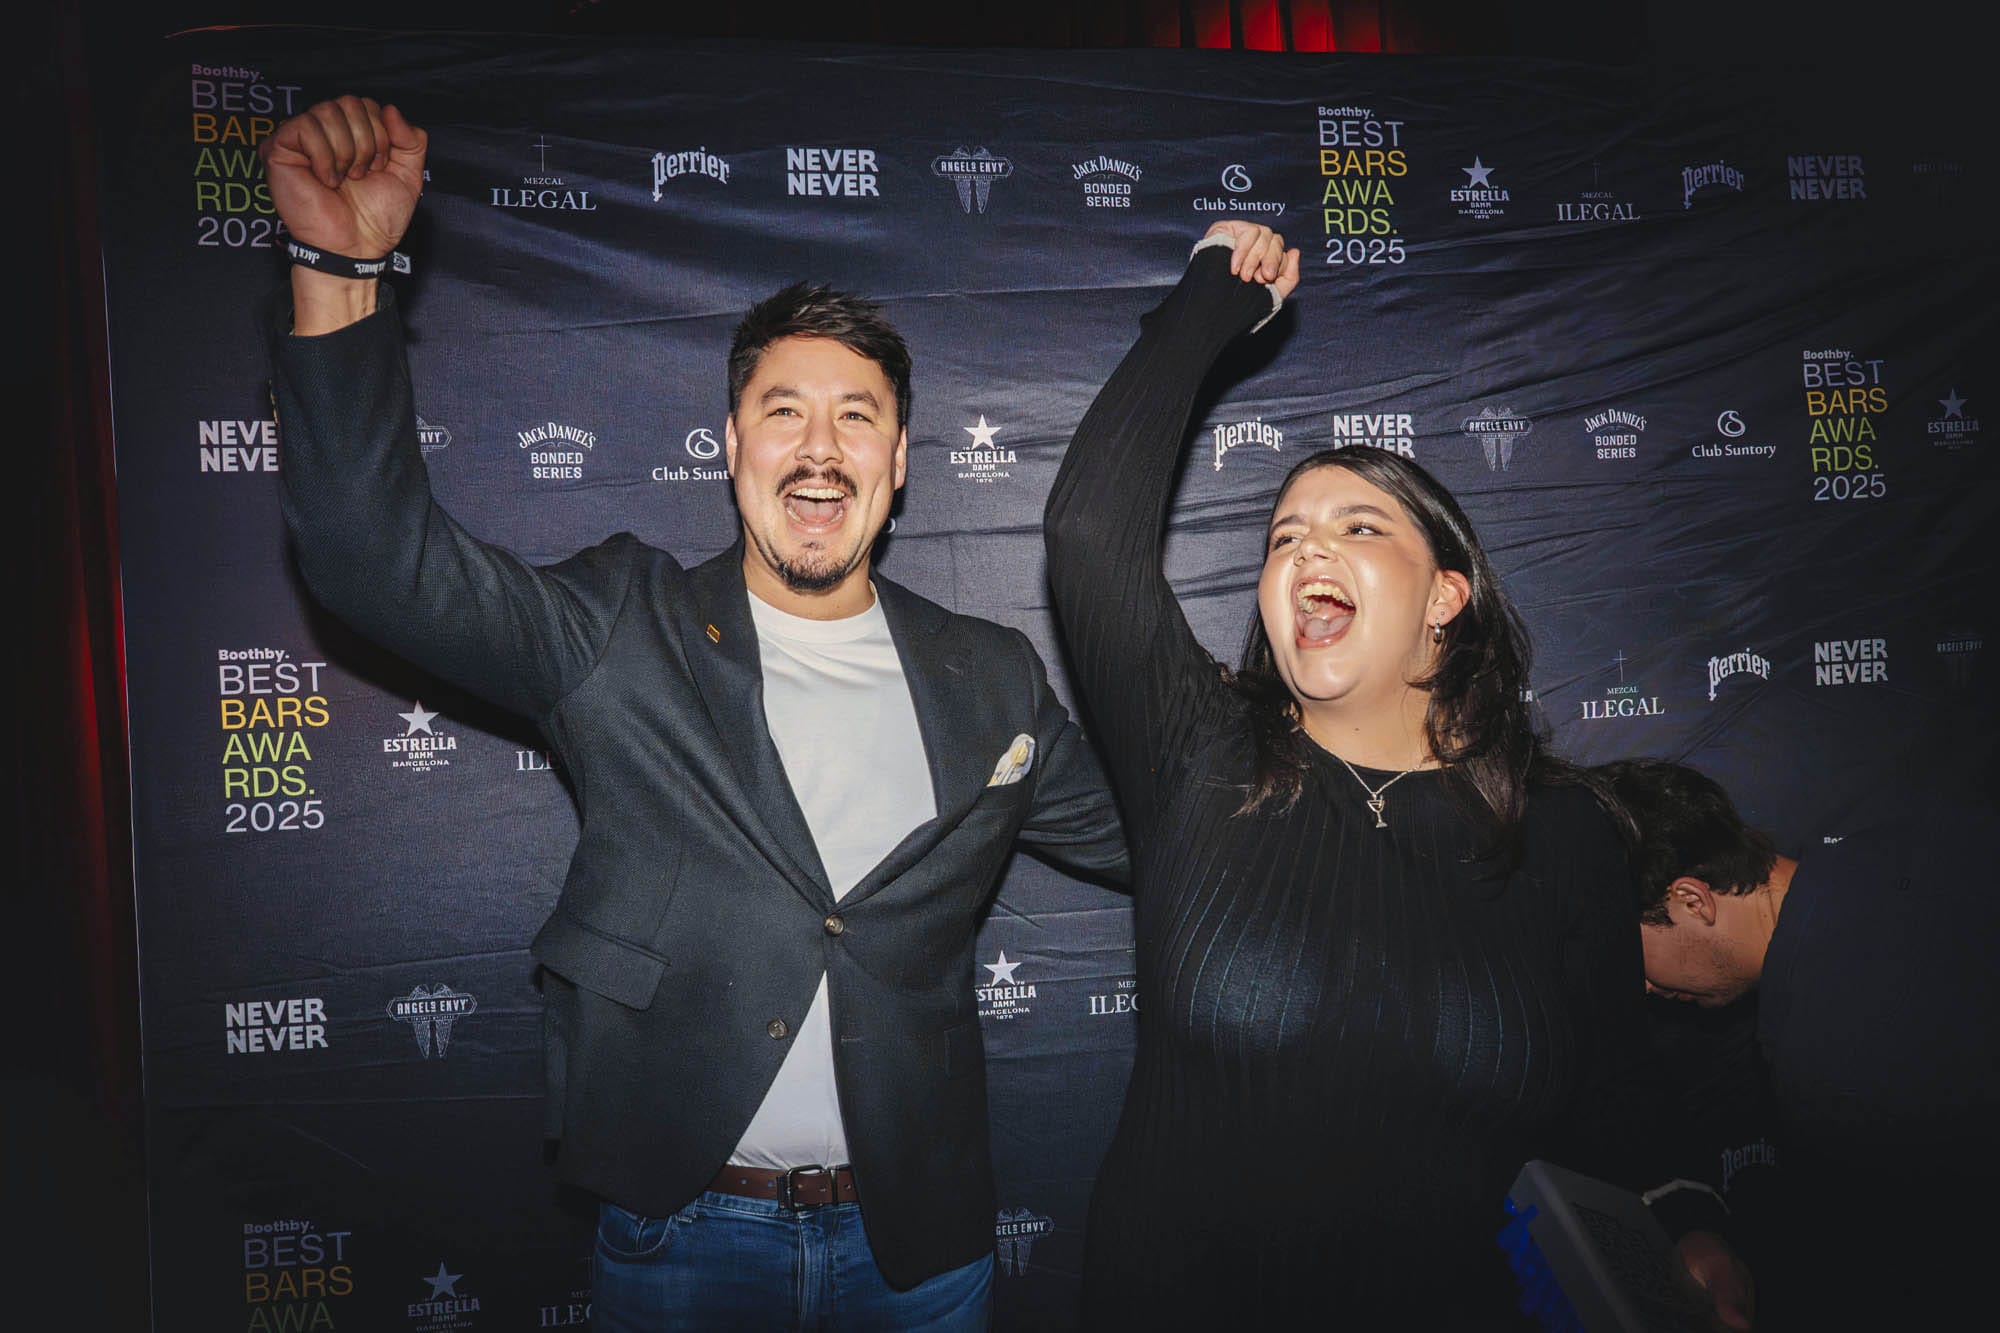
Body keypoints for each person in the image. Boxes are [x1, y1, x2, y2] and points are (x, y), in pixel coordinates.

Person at [258, 95, 1127, 1331]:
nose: (818, 448)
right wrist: (342, 271)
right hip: (681, 1244)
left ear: (897, 464)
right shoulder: (624, 622)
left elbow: (1170, 833)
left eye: (856, 417)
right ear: (731, 447)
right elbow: (373, 563)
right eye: (784, 412)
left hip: (919, 1255)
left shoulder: (991, 676)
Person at [1043, 221, 1740, 1328]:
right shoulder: (1201, 754)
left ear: (1443, 597)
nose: (1305, 549)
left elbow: (1614, 1097)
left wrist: (1687, 1222)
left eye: (1355, 525)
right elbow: (1088, 532)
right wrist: (1214, 302)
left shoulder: (1559, 836)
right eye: (1281, 537)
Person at [1596, 757, 2000, 1331]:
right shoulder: (1914, 842)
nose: (1639, 985)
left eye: (1632, 956)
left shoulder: (1829, 1059)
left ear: (1693, 900)